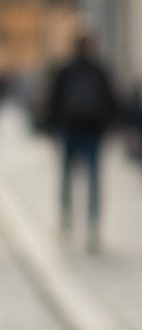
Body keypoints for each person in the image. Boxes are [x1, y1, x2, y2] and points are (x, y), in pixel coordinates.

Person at [44, 27, 119, 249]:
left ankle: (67, 220)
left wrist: (50, 127)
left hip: (71, 128)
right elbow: (111, 100)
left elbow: (53, 99)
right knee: (93, 179)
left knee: (67, 177)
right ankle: (92, 224)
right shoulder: (99, 69)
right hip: (93, 130)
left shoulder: (65, 69)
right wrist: (112, 126)